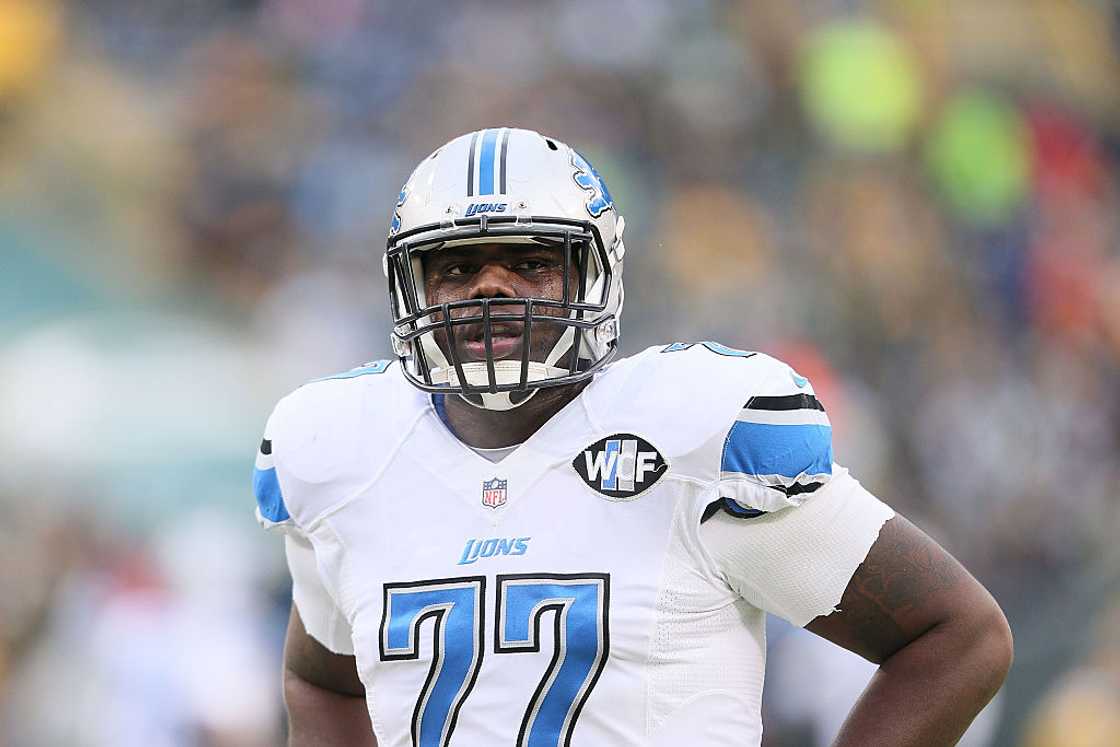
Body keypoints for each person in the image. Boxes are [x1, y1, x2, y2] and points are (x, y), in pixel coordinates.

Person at [253, 127, 1013, 746]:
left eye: (529, 262)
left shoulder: (694, 433)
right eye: (454, 267)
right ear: (410, 287)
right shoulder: (342, 451)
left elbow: (955, 636)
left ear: (597, 274)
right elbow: (323, 681)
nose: (490, 287)